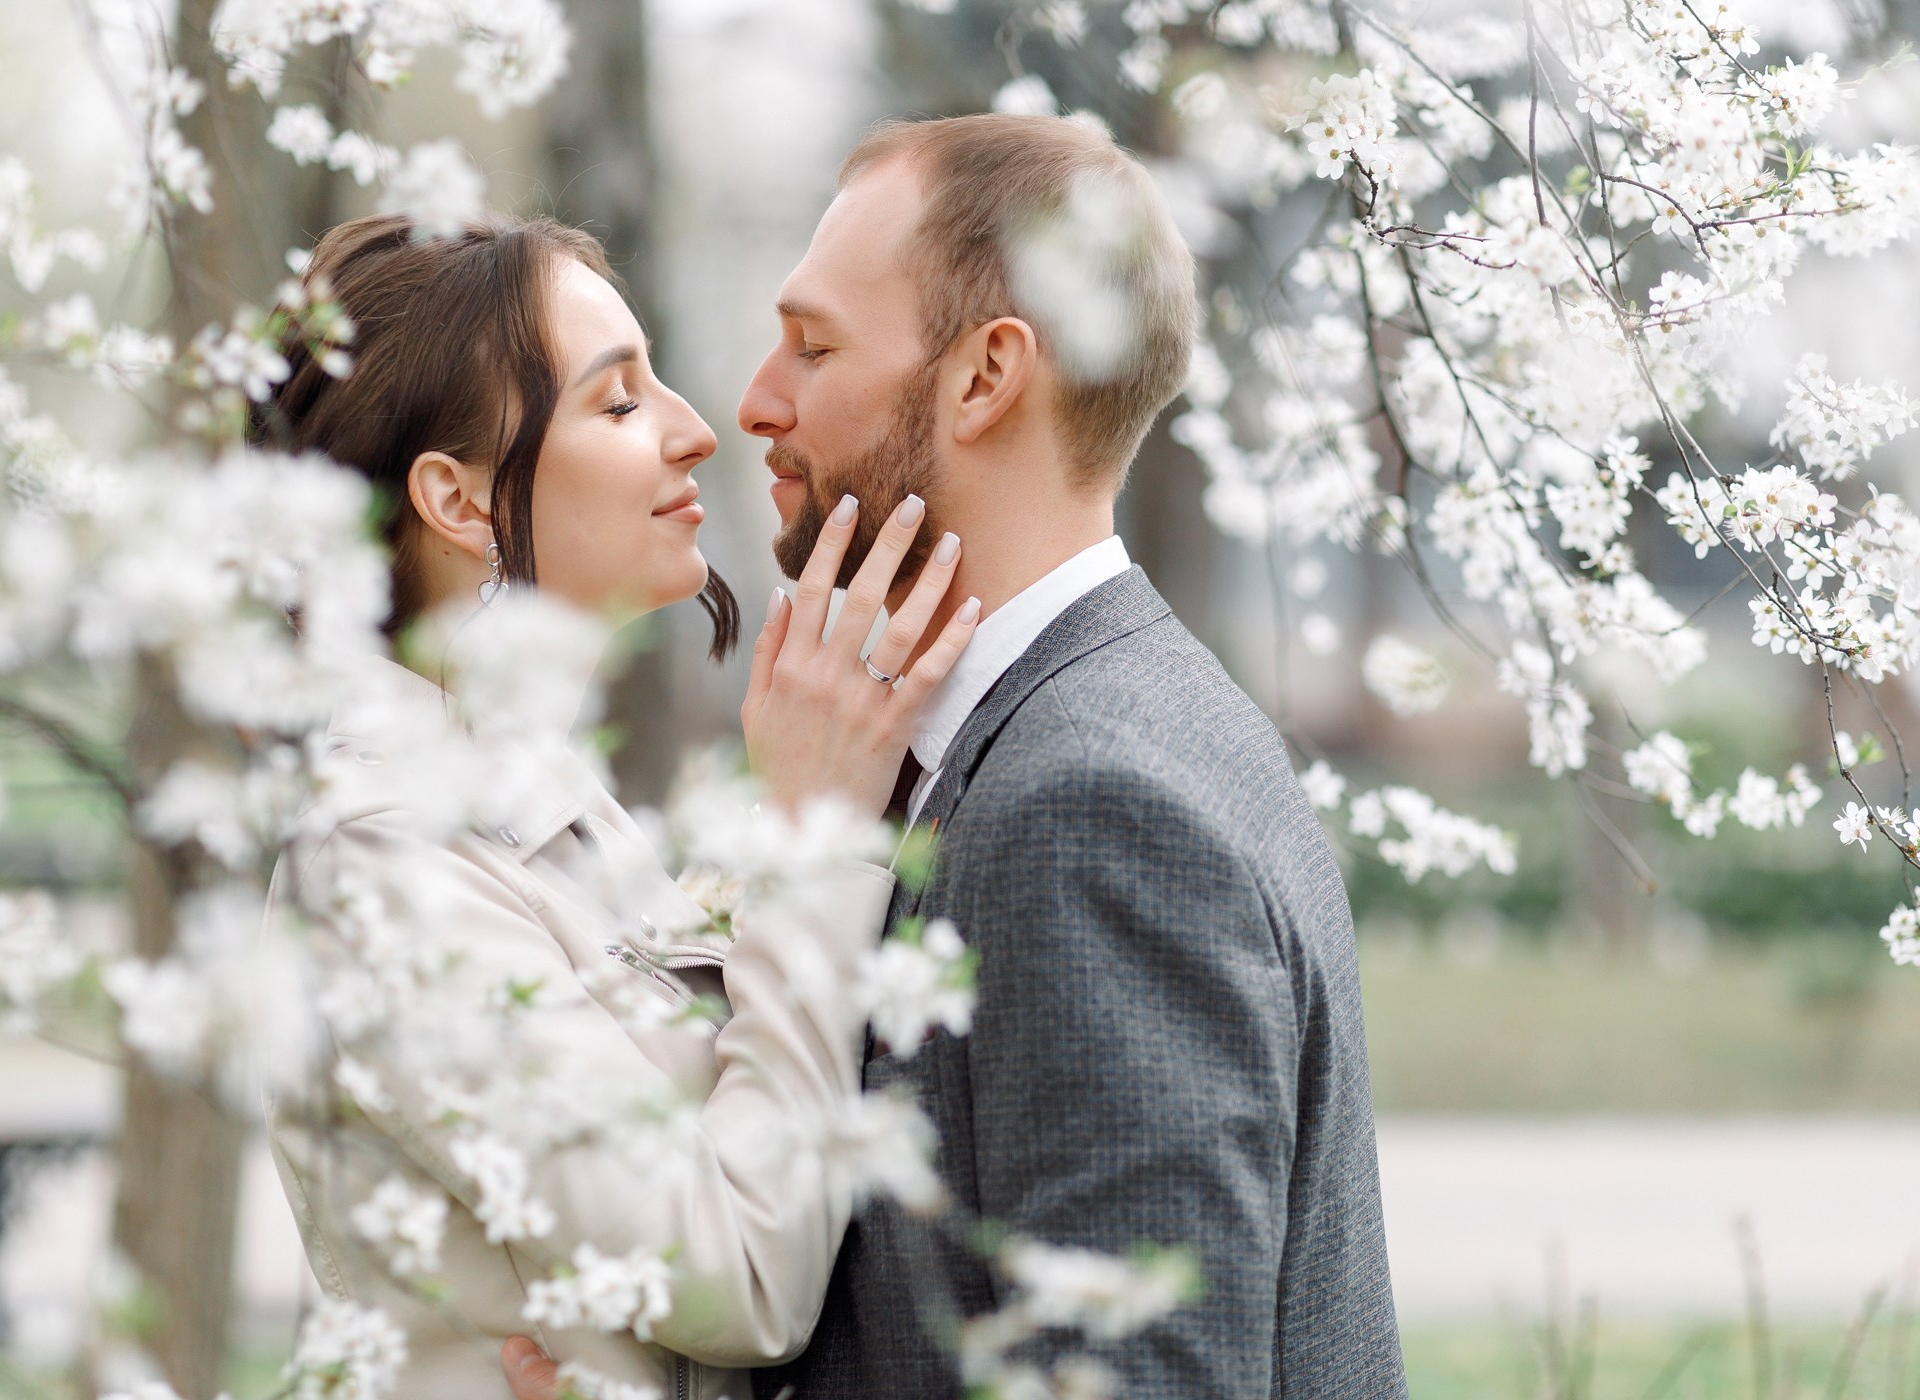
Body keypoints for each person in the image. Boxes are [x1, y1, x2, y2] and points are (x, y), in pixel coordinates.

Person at [501, 111, 1408, 1398]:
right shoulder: (1066, 736)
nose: (754, 402)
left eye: (813, 345)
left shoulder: (1093, 807)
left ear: (984, 376)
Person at [259, 211, 981, 1400]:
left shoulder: (523, 797)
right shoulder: (379, 861)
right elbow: (739, 1275)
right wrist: (818, 844)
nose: (698, 430)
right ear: (459, 498)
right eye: (619, 402)